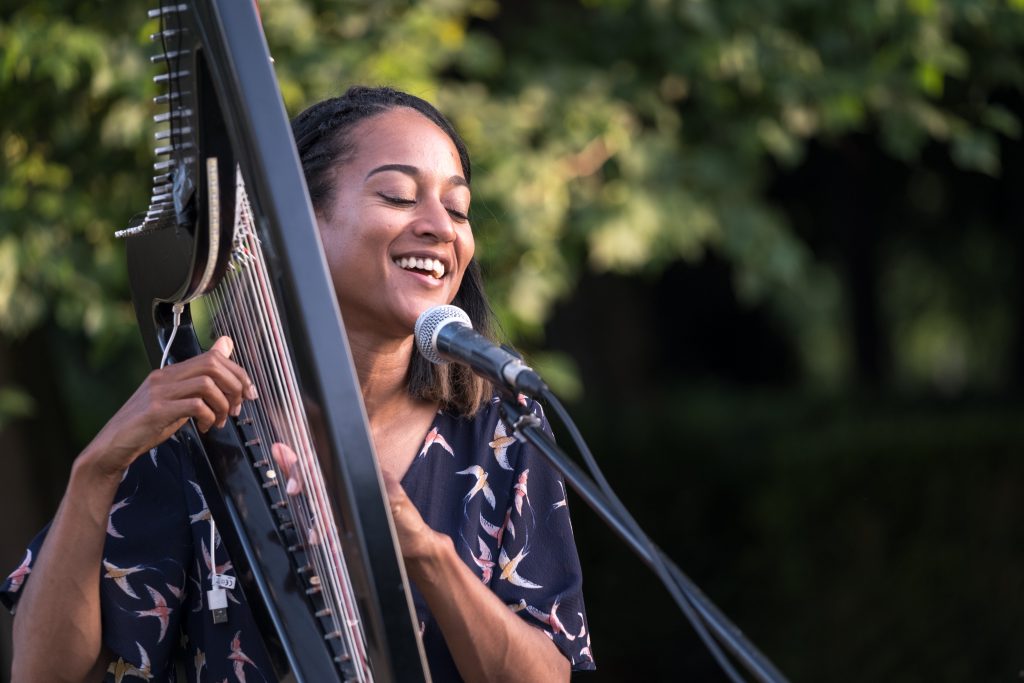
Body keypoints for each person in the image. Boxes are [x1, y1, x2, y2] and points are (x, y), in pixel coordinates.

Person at [1, 86, 594, 682]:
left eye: (459, 209)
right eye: (398, 196)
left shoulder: (501, 426)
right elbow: (43, 672)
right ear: (295, 227)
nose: (442, 227)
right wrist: (97, 468)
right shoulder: (199, 421)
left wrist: (424, 552)